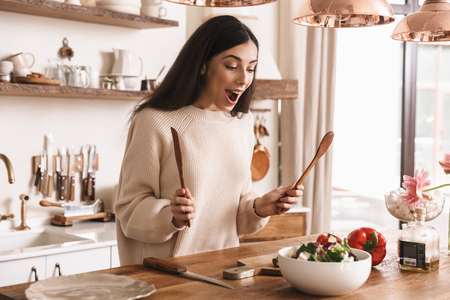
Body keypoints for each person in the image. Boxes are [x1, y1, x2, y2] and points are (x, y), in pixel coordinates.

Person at [114, 15, 304, 266]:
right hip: (166, 280)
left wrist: (259, 207)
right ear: (203, 64)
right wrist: (170, 217)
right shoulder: (154, 121)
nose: (244, 79)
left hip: (222, 273)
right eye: (232, 66)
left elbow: (233, 215)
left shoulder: (242, 124)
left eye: (250, 68)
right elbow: (128, 210)